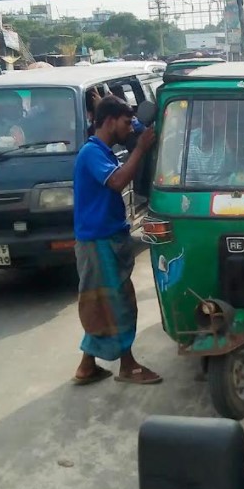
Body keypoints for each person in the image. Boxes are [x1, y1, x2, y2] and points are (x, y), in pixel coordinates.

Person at [72, 96, 161, 386]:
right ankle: (128, 366)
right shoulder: (91, 153)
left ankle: (87, 366)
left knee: (100, 304)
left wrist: (138, 133)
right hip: (98, 241)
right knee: (119, 303)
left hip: (105, 237)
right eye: (124, 122)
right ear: (109, 121)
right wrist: (142, 148)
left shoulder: (105, 151)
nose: (128, 128)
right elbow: (118, 181)